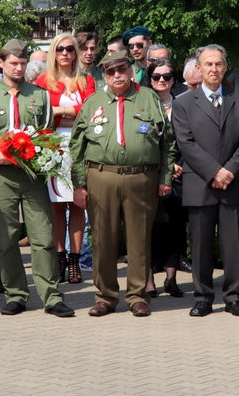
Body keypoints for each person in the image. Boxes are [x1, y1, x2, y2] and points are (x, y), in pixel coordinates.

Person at [0, 39, 74, 318]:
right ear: (1, 63)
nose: (18, 68)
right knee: (5, 239)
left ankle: (52, 297)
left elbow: (47, 133)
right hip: (0, 173)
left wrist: (42, 155)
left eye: (23, 63)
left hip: (32, 175)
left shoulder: (39, 95)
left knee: (42, 238)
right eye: (13, 63)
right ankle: (15, 294)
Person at [70, 50, 174, 317]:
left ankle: (138, 296)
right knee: (103, 239)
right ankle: (105, 296)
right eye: (111, 72)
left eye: (121, 70)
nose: (117, 75)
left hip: (141, 178)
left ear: (130, 71)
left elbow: (167, 141)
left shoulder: (148, 98)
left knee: (139, 239)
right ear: (104, 75)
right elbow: (76, 147)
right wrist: (79, 185)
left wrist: (165, 178)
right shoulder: (93, 102)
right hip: (101, 177)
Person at [172, 45, 239, 317]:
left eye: (219, 64)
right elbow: (186, 143)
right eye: (208, 64)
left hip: (232, 184)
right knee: (201, 246)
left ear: (225, 67)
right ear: (199, 68)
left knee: (233, 246)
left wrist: (228, 171)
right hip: (200, 184)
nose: (214, 69)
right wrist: (214, 172)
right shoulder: (183, 103)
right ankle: (203, 298)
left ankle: (234, 297)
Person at [34, 33, 96, 285]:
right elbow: (40, 112)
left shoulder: (86, 80)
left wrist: (60, 110)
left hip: (80, 146)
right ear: (53, 52)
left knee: (78, 203)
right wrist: (70, 114)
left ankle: (75, 260)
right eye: (60, 49)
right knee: (56, 205)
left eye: (70, 49)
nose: (65, 53)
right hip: (53, 146)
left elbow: (90, 111)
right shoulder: (43, 80)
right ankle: (60, 258)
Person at [143, 58, 186, 299]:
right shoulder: (143, 105)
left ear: (173, 79)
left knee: (175, 228)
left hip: (180, 175)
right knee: (150, 229)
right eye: (157, 76)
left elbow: (192, 139)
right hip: (150, 175)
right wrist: (165, 167)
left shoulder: (183, 105)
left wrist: (180, 165)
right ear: (150, 79)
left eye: (167, 76)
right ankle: (149, 280)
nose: (162, 80)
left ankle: (171, 279)